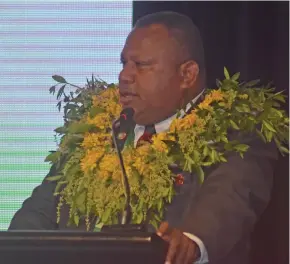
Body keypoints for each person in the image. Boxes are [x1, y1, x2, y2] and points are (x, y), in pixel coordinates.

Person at [9, 11, 278, 264]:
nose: (124, 76)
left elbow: (230, 198)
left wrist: (191, 242)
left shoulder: (236, 132)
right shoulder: (98, 129)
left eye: (141, 65)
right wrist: (15, 248)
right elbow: (40, 211)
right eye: (124, 63)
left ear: (187, 74)